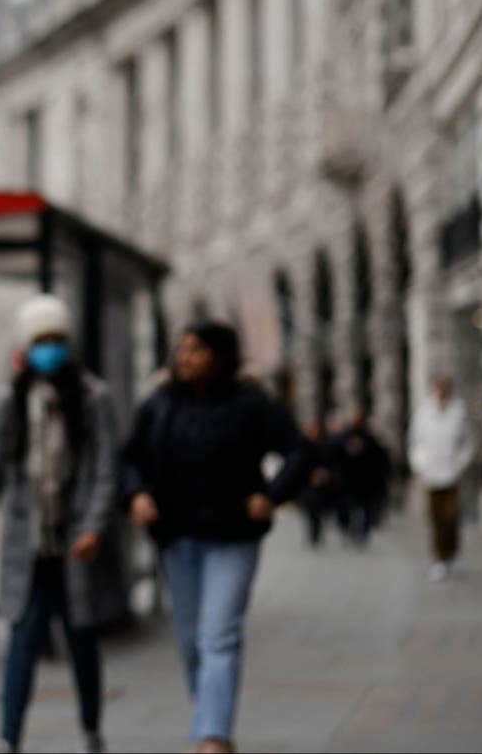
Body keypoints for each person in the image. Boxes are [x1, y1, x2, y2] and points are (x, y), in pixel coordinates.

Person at [118, 320, 311, 754]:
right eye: (181, 349)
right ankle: (211, 720)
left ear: (220, 357)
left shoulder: (251, 403)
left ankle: (212, 738)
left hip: (233, 538)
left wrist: (272, 495)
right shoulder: (160, 404)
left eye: (196, 350)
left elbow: (300, 451)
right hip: (177, 538)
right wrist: (136, 495)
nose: (184, 357)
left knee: (218, 634)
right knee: (190, 641)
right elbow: (129, 458)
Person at [0, 294, 119, 754]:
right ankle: (8, 737)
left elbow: (105, 469)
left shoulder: (94, 397)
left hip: (75, 544)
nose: (50, 349)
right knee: (22, 640)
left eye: (56, 339)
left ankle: (91, 729)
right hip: (28, 546)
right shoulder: (11, 400)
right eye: (41, 340)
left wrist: (95, 527)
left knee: (82, 641)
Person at [409, 375, 476, 582]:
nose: (441, 393)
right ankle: (439, 558)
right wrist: (421, 465)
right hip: (431, 475)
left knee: (451, 517)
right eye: (438, 389)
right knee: (436, 518)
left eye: (444, 389)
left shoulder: (459, 413)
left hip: (451, 474)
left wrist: (459, 465)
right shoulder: (424, 412)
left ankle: (452, 552)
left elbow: (469, 442)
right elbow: (415, 441)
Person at [326, 407, 392, 547]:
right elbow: (334, 454)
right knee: (346, 507)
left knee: (365, 508)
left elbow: (379, 458)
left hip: (365, 480)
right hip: (347, 479)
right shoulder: (344, 437)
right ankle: (348, 530)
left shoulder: (369, 438)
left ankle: (362, 534)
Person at [295, 418, 335, 549]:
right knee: (310, 511)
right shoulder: (301, 445)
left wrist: (325, 474)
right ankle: (313, 534)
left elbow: (331, 463)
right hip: (307, 485)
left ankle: (316, 534)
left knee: (318, 511)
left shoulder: (324, 445)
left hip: (322, 486)